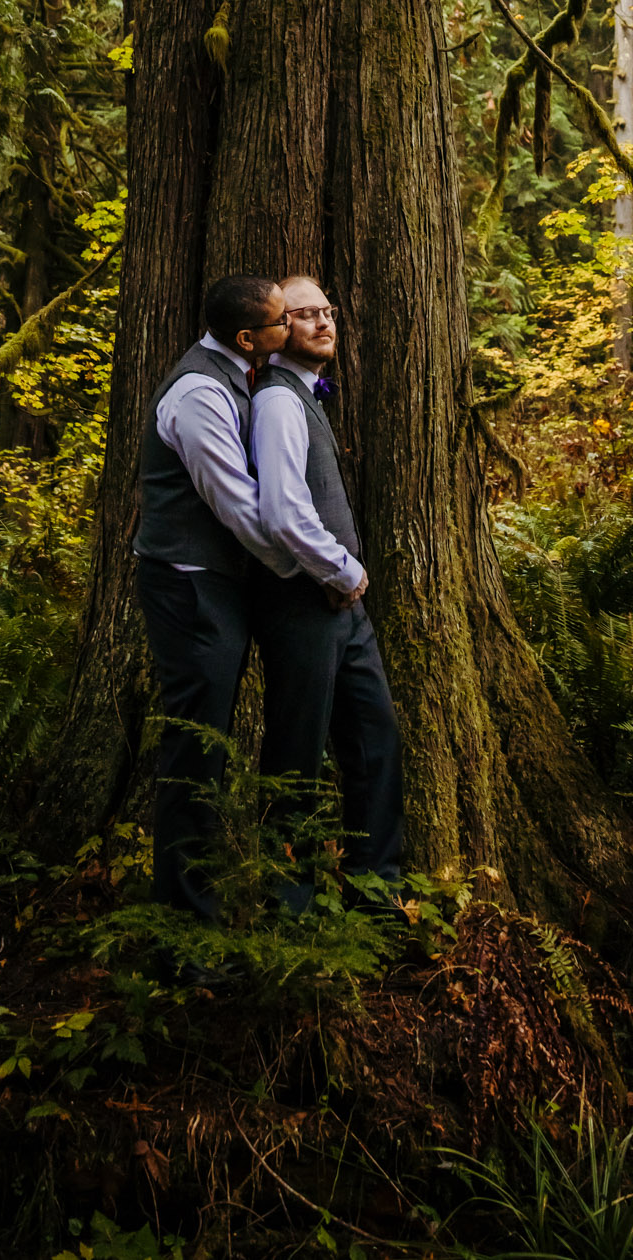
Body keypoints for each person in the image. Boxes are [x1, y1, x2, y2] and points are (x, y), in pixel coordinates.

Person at [134, 273, 295, 924]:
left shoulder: (236, 373)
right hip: (189, 585)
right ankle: (185, 922)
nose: (292, 328)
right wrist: (304, 567)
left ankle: (192, 906)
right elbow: (237, 505)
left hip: (207, 582)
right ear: (248, 338)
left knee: (207, 743)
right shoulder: (201, 392)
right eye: (283, 321)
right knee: (198, 750)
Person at [250, 275, 404, 911]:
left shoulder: (308, 395)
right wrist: (343, 573)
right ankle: (291, 912)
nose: (321, 322)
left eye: (326, 311)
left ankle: (375, 897)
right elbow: (282, 511)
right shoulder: (279, 401)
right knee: (296, 759)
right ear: (279, 330)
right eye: (303, 314)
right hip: (304, 605)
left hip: (346, 610)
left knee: (375, 741)